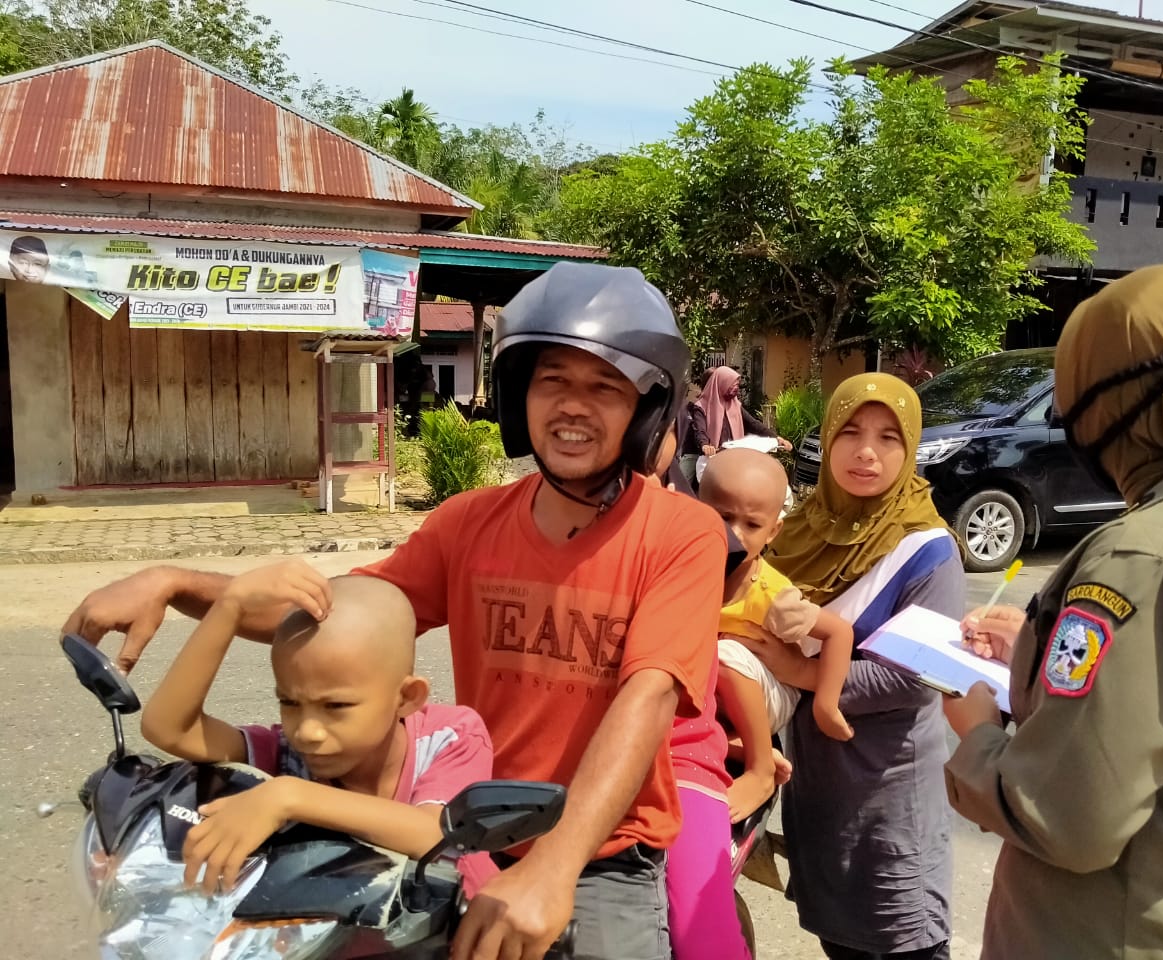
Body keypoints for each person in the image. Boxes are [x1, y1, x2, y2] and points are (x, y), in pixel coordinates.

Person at [63, 262, 727, 960]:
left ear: (647, 408)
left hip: (597, 855)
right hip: (453, 835)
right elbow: (335, 621)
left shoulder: (680, 534)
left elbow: (646, 698)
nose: (572, 407)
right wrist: (176, 585)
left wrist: (555, 867)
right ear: (516, 392)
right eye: (553, 380)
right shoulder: (469, 523)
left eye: (605, 387)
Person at [943, 265, 1163, 960]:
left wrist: (977, 735)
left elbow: (1067, 817)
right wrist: (1036, 659)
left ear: (1105, 410)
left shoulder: (1141, 562)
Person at [741, 373, 965, 960]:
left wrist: (803, 675)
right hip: (818, 788)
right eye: (852, 432)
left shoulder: (925, 547)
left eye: (889, 437)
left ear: (910, 447)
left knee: (900, 938)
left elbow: (917, 675)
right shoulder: (799, 530)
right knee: (839, 940)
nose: (867, 452)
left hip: (888, 795)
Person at [139, 564, 494, 895]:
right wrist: (230, 606)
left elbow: (433, 833)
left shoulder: (450, 736)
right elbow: (168, 728)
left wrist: (287, 797)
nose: (307, 732)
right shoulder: (286, 753)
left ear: (406, 697)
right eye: (290, 703)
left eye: (335, 706)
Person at [700, 447, 855, 822]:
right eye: (723, 517)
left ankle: (760, 770)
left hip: (766, 690)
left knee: (725, 656)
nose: (736, 534)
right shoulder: (691, 570)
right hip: (712, 695)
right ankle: (736, 746)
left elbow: (838, 632)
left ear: (773, 530)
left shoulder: (770, 596)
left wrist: (826, 705)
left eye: (752, 525)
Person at [648, 423, 752, 960]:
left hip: (679, 757)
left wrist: (757, 765)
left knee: (702, 938)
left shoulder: (695, 528)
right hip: (572, 759)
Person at [690, 366, 793, 458]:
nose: (736, 389)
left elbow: (753, 424)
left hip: (736, 457)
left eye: (736, 385)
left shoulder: (735, 405)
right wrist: (705, 445)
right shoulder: (701, 407)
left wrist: (777, 438)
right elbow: (700, 431)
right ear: (721, 384)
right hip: (712, 459)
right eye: (731, 385)